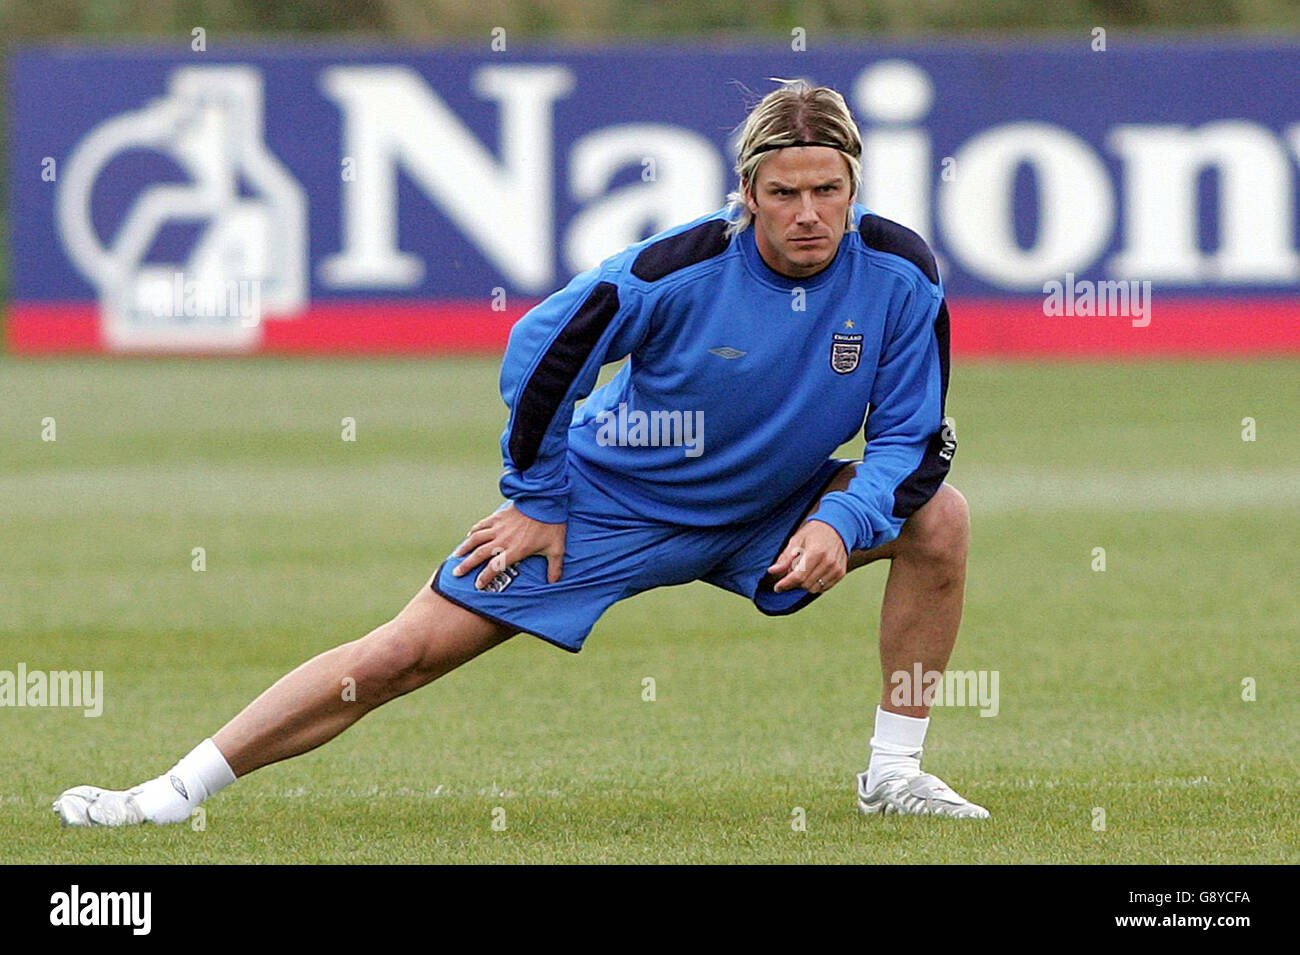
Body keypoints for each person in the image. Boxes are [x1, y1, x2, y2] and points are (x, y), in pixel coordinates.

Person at [54, 80, 988, 827]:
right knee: (399, 657)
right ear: (746, 194)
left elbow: (911, 438)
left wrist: (840, 518)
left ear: (855, 188)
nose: (808, 213)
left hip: (771, 511)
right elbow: (542, 351)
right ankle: (167, 796)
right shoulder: (675, 267)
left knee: (939, 521)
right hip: (603, 507)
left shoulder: (901, 273)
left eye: (828, 190)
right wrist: (537, 495)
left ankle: (894, 775)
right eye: (783, 193)